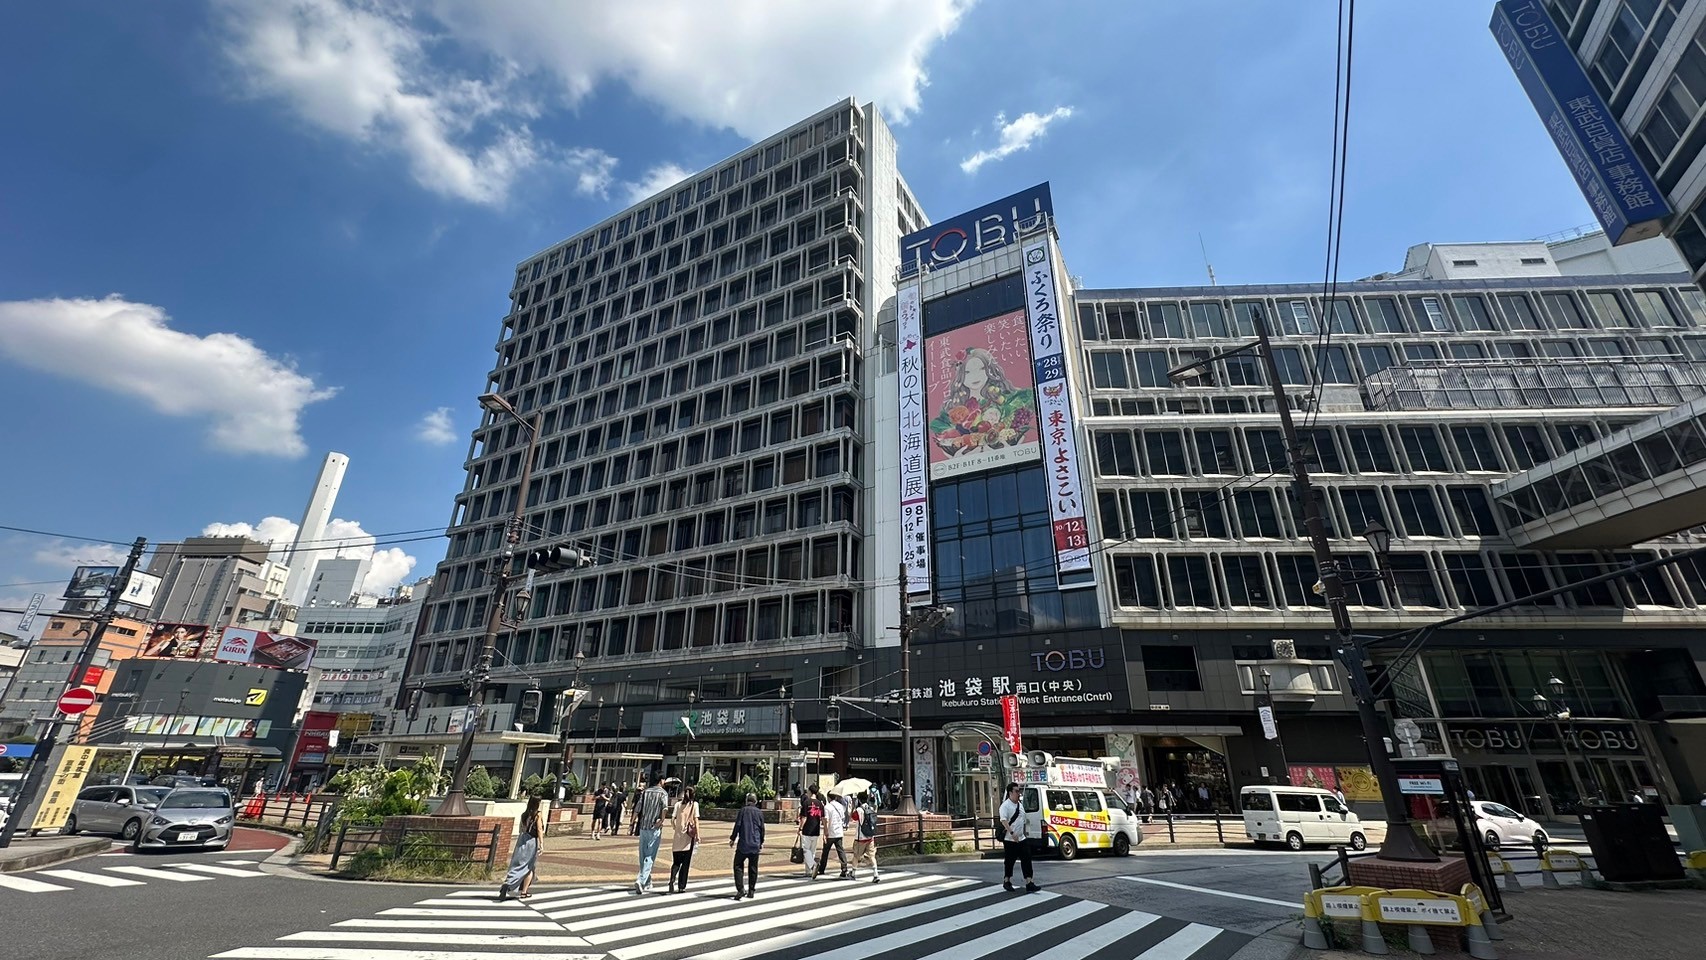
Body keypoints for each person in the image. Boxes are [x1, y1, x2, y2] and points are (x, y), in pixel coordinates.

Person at [928, 346, 1037, 458]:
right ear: (960, 375)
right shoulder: (952, 408)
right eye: (968, 372)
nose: (975, 376)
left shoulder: (1003, 399)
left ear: (989, 371)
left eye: (981, 369)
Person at [499, 796, 544, 900]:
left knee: (518, 863)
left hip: (522, 839)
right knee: (529, 866)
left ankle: (509, 881)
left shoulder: (524, 814)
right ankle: (522, 891)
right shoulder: (537, 814)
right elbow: (539, 829)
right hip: (531, 841)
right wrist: (541, 843)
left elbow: (522, 829)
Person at [632, 774, 670, 895]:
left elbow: (638, 807)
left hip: (643, 825)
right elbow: (664, 808)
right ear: (661, 780)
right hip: (654, 826)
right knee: (650, 855)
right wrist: (662, 820)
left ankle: (647, 881)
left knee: (642, 854)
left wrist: (632, 821)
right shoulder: (663, 793)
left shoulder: (645, 792)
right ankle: (641, 880)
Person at [998, 782, 1038, 893]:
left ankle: (1029, 882)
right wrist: (1011, 833)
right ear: (1010, 792)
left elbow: (1022, 820)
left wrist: (1023, 833)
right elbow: (1003, 820)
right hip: (1010, 839)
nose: (1018, 793)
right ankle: (1007, 880)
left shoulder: (1020, 805)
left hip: (1022, 838)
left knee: (1027, 859)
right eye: (1016, 791)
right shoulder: (1005, 806)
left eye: (1019, 790)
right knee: (1010, 861)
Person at [729, 792, 765, 900]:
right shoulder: (759, 812)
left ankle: (740, 889)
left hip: (744, 843)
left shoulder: (743, 810)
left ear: (747, 801)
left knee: (738, 865)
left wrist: (732, 838)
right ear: (755, 801)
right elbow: (762, 828)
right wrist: (761, 842)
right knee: (753, 867)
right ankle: (751, 891)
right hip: (755, 843)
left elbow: (738, 825)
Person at [668, 786, 700, 893]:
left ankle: (672, 878)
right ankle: (681, 886)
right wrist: (698, 835)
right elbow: (696, 821)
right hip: (688, 838)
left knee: (676, 862)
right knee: (685, 863)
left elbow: (672, 819)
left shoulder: (677, 805)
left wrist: (675, 827)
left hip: (677, 837)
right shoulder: (694, 805)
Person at [816, 791, 851, 880]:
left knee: (825, 851)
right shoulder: (840, 806)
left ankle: (822, 869)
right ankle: (844, 868)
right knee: (840, 850)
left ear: (829, 797)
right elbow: (843, 817)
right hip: (839, 832)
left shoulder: (827, 807)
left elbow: (826, 820)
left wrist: (825, 832)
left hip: (831, 832)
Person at [850, 789, 880, 884]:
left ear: (859, 799)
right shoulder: (870, 808)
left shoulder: (859, 810)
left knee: (856, 855)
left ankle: (853, 873)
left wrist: (853, 808)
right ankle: (876, 874)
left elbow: (853, 817)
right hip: (870, 837)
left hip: (861, 837)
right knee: (872, 856)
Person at [797, 785, 824, 879]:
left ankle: (812, 866)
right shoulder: (820, 804)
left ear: (809, 791)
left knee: (805, 849)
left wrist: (800, 828)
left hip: (807, 829)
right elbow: (823, 818)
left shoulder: (806, 802)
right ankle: (808, 871)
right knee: (812, 851)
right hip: (816, 829)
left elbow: (804, 817)